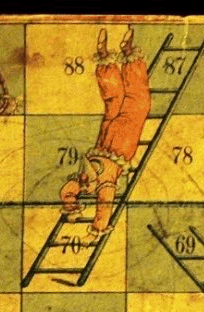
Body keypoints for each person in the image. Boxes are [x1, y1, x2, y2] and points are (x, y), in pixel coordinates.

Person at [60, 27, 150, 237]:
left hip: (122, 141)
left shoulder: (102, 180)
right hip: (105, 136)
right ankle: (109, 55)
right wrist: (70, 205)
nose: (85, 190)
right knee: (113, 101)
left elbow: (104, 207)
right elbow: (69, 190)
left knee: (138, 102)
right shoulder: (85, 174)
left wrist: (95, 230)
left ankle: (124, 53)